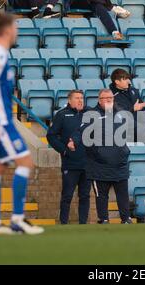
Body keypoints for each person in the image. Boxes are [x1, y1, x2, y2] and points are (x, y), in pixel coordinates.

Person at [0, 11, 44, 235]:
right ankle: (17, 220)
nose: (17, 30)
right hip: (0, 122)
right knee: (26, 163)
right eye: (15, 26)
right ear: (7, 29)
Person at [72, 89, 132, 224]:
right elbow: (80, 131)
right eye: (105, 98)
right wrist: (73, 141)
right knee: (101, 196)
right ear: (99, 100)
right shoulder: (92, 115)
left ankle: (126, 219)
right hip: (99, 164)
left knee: (123, 195)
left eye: (111, 97)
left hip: (120, 163)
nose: (109, 100)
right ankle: (103, 219)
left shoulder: (121, 114)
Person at [46, 90, 91, 224]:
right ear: (69, 100)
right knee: (67, 195)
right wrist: (64, 150)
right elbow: (51, 136)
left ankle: (83, 224)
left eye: (82, 98)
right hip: (70, 163)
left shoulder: (89, 114)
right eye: (77, 98)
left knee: (85, 196)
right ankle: (64, 223)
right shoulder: (62, 115)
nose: (80, 100)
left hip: (87, 163)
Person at [109, 69, 145, 142]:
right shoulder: (111, 97)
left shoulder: (133, 91)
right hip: (127, 129)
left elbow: (144, 114)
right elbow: (122, 117)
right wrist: (132, 109)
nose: (128, 81)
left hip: (141, 125)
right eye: (125, 79)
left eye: (128, 79)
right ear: (117, 82)